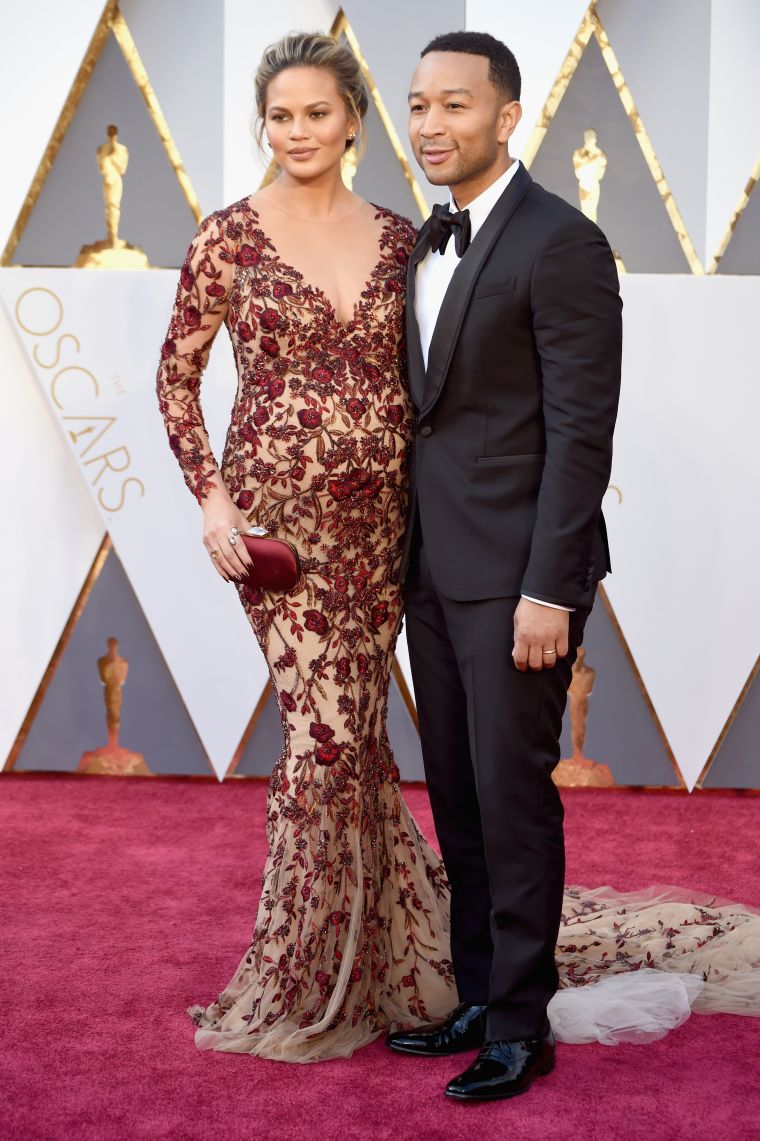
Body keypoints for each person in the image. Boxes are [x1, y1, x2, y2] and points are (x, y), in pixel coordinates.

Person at [156, 32, 455, 1063]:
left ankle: (387, 958)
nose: (296, 133)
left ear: (354, 122)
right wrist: (213, 502)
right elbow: (176, 380)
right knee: (322, 741)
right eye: (279, 116)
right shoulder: (228, 238)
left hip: (383, 528)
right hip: (278, 534)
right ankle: (301, 973)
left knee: (358, 738)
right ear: (263, 124)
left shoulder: (404, 235)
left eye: (315, 114)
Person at [386, 31, 623, 1099]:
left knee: (512, 797)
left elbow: (581, 433)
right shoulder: (418, 242)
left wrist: (549, 588)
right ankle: (479, 992)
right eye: (419, 105)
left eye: (456, 106)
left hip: (518, 578)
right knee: (459, 796)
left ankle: (522, 1027)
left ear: (507, 115)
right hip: (431, 570)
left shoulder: (560, 241)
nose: (433, 126)